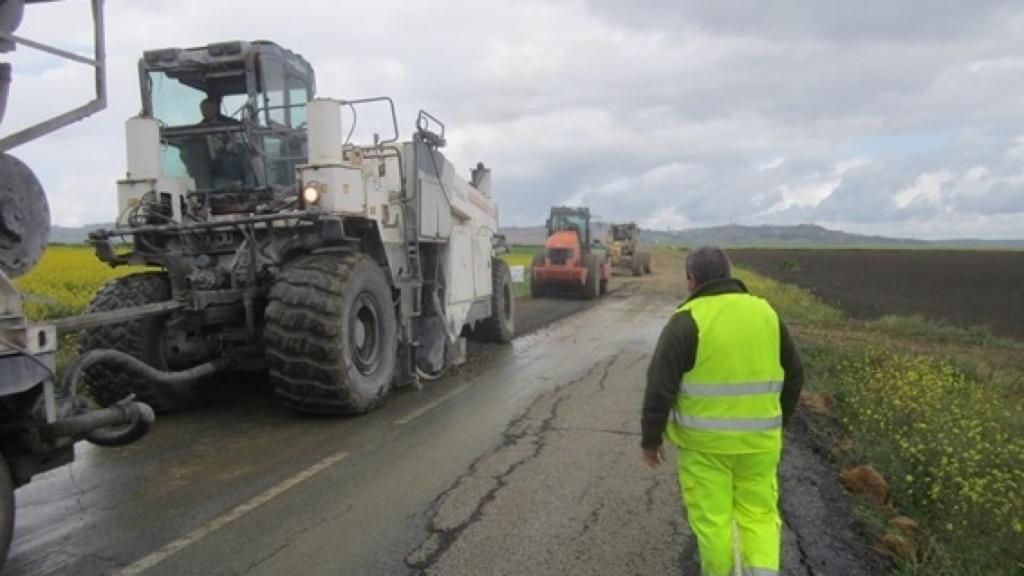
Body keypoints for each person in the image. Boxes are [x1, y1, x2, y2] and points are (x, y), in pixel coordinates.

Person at [641, 245, 803, 576]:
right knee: (758, 516)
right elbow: (795, 376)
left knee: (714, 523)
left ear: (691, 279)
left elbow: (660, 386)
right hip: (760, 446)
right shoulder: (766, 314)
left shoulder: (686, 321)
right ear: (729, 274)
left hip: (704, 449)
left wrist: (651, 439)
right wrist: (777, 423)